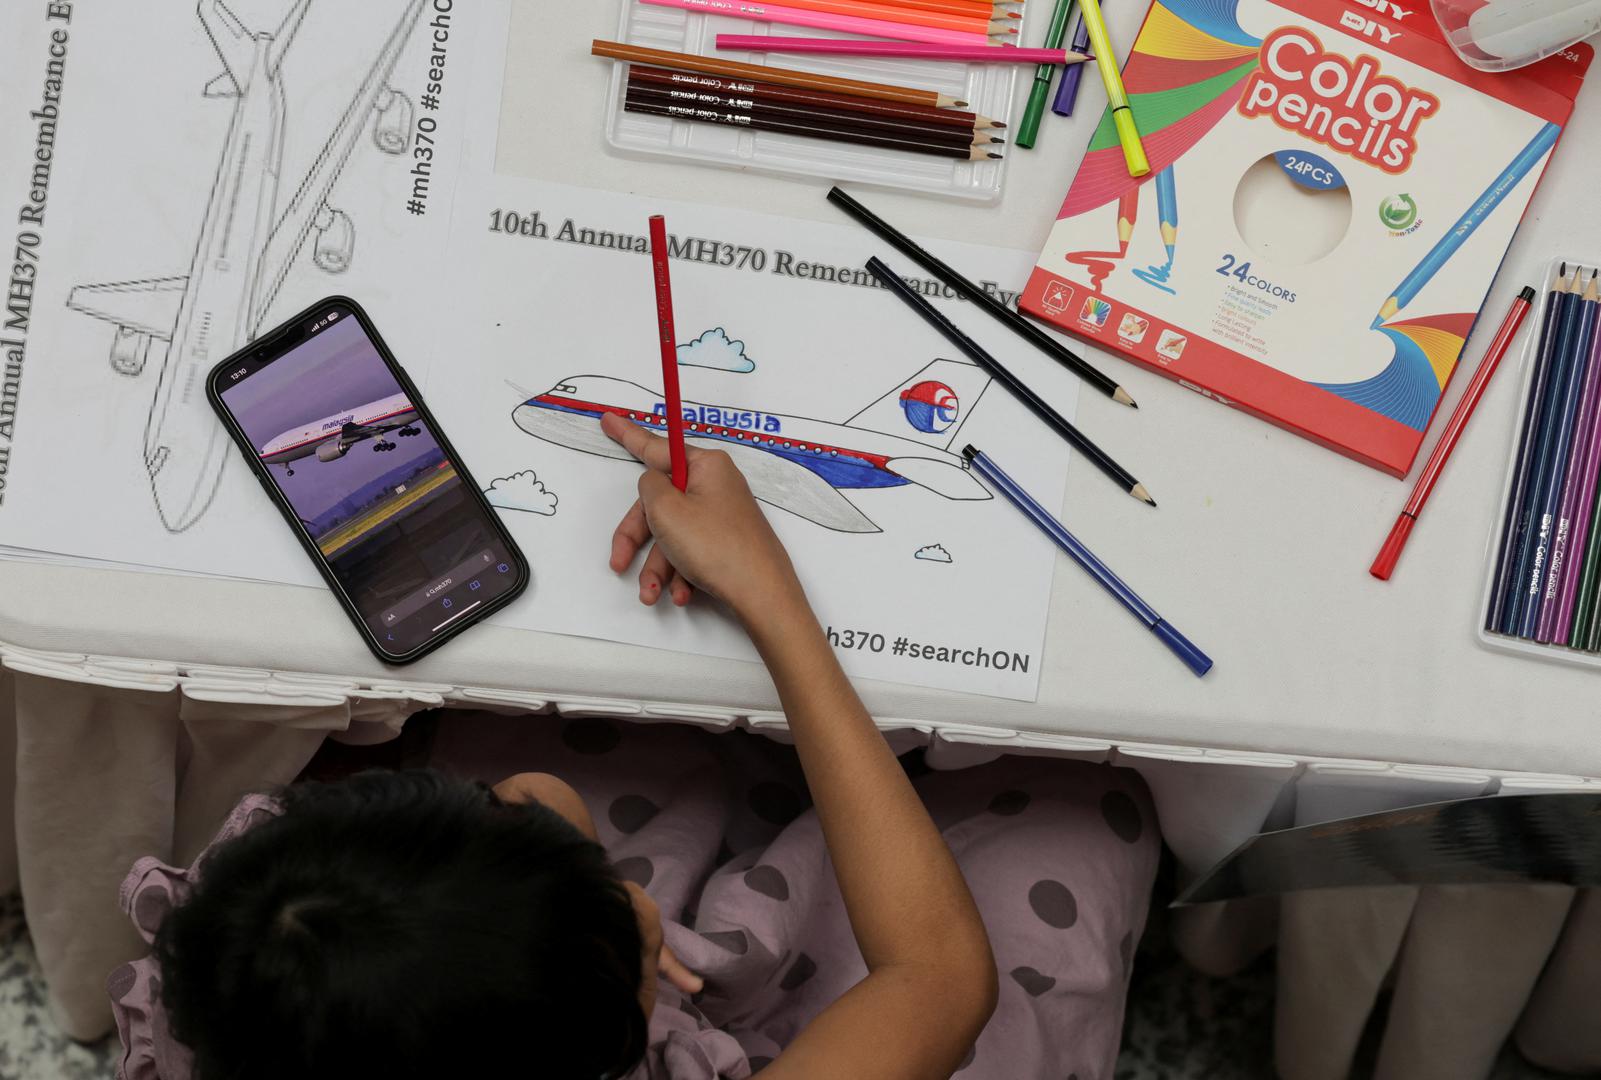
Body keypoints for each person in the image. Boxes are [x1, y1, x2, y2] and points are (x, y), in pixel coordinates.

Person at [120, 412, 1003, 1080]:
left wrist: (592, 935)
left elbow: (535, 794)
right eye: (623, 922)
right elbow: (942, 979)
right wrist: (771, 596)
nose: (641, 903)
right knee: (1062, 833)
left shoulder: (247, 955)